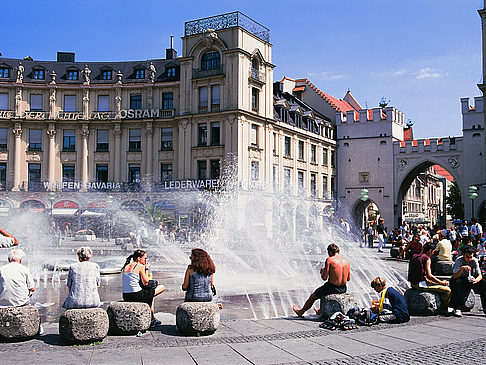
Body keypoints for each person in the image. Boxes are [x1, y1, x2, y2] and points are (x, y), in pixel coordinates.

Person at [293, 244, 350, 317]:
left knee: (313, 296)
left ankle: (301, 312)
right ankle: (320, 311)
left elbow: (324, 278)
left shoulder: (329, 260)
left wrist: (322, 272)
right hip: (343, 288)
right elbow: (348, 278)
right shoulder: (346, 261)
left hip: (332, 287)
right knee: (323, 292)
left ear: (330, 252)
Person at [122, 249, 165, 327]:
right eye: (144, 258)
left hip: (126, 296)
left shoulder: (126, 266)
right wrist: (146, 269)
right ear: (139, 258)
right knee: (161, 287)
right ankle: (152, 319)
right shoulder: (140, 266)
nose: (146, 260)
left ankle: (152, 318)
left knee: (150, 291)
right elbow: (146, 282)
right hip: (136, 295)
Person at [408, 242, 452, 313]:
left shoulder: (415, 256)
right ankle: (444, 308)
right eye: (433, 251)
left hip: (413, 283)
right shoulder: (427, 258)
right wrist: (441, 282)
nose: (433, 253)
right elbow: (430, 275)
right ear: (430, 250)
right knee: (447, 290)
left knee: (437, 284)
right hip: (420, 284)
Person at [449, 246, 486, 317]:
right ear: (463, 255)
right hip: (460, 279)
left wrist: (476, 280)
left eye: (470, 257)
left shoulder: (474, 261)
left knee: (484, 284)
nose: (469, 259)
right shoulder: (459, 260)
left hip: (470, 279)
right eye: (467, 257)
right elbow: (455, 276)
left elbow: (480, 275)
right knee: (456, 283)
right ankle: (457, 308)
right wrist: (462, 268)